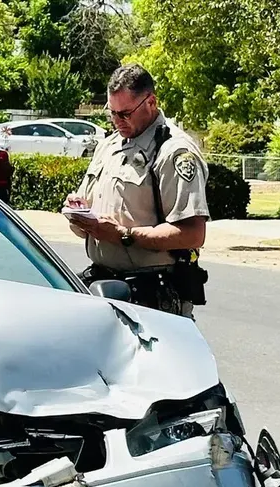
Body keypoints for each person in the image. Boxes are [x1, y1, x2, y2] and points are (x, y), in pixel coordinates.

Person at [63, 64, 210, 317]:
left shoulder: (173, 151)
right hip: (103, 285)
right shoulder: (109, 146)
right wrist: (80, 213)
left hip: (152, 293)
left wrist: (124, 235)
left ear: (151, 102)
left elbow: (192, 234)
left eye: (125, 114)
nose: (118, 121)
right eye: (112, 113)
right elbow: (85, 222)